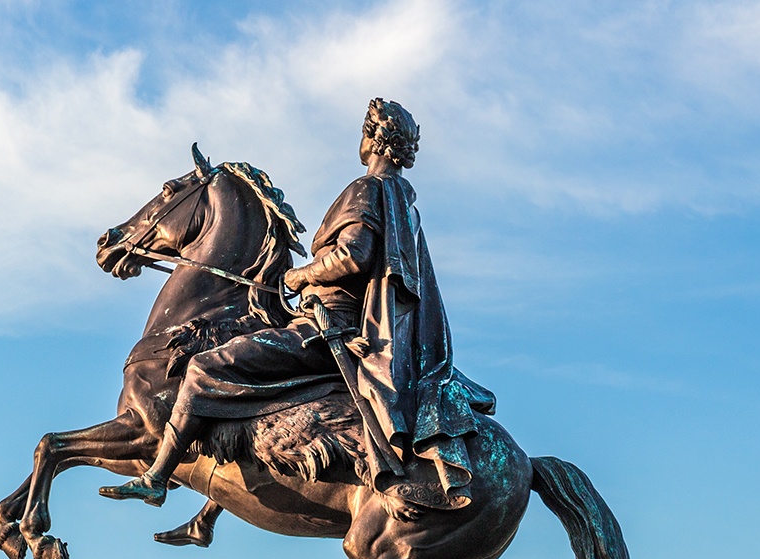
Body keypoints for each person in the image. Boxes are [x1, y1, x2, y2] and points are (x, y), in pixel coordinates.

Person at [101, 98, 491, 510]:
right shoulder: (405, 206)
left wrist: (299, 276)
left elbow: (353, 256)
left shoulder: (367, 189)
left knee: (203, 368)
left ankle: (158, 476)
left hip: (325, 328)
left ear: (373, 139)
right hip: (355, 326)